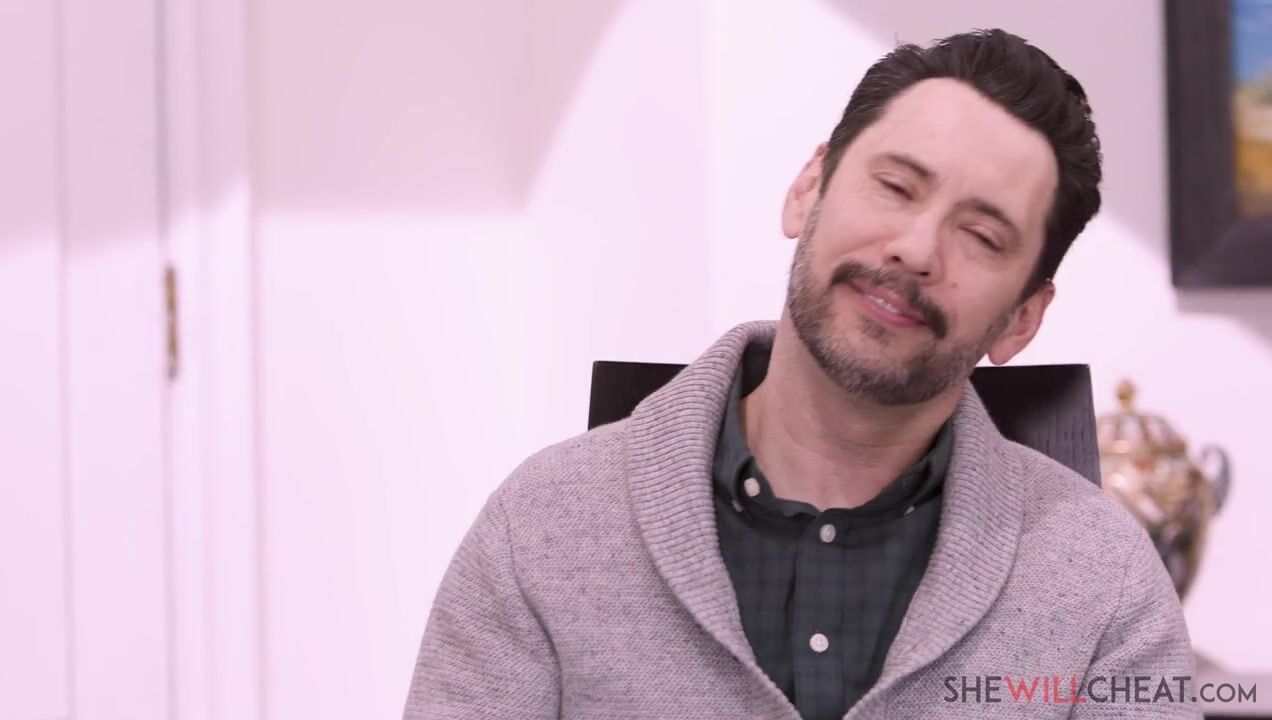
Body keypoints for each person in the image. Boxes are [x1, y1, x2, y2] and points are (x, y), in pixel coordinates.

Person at [404, 29, 1197, 719]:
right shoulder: (541, 528)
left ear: (1022, 316)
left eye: (983, 237)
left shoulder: (1106, 587)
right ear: (807, 189)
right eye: (895, 187)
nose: (916, 250)